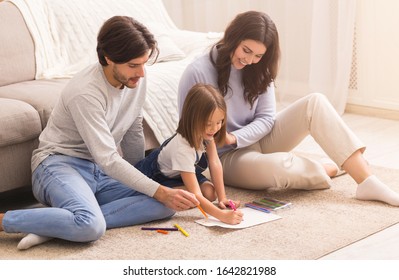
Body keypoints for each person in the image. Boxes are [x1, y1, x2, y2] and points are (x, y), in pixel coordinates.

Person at [0, 16, 199, 250]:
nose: (142, 73)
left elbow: (133, 128)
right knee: (91, 227)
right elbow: (108, 158)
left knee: (167, 203)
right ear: (108, 59)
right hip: (59, 166)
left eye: (144, 63)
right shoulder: (86, 92)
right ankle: (7, 220)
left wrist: (143, 181)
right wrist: (156, 189)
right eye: (134, 65)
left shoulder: (135, 80)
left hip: (99, 172)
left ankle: (57, 223)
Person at [178, 11, 399, 206]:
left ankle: (367, 182)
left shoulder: (259, 69)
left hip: (252, 139)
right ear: (233, 37)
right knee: (279, 168)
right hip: (225, 157)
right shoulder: (197, 72)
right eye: (246, 50)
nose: (249, 60)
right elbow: (188, 129)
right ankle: (332, 167)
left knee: (315, 102)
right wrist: (224, 143)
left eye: (258, 55)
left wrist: (234, 137)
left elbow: (266, 119)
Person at [135, 83, 243, 225]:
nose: (214, 129)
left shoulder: (207, 134)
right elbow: (196, 195)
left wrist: (222, 198)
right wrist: (221, 215)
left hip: (181, 173)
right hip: (157, 175)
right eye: (208, 123)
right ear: (193, 119)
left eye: (219, 122)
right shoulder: (183, 149)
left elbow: (214, 162)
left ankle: (186, 192)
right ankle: (162, 192)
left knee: (211, 194)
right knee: (191, 198)